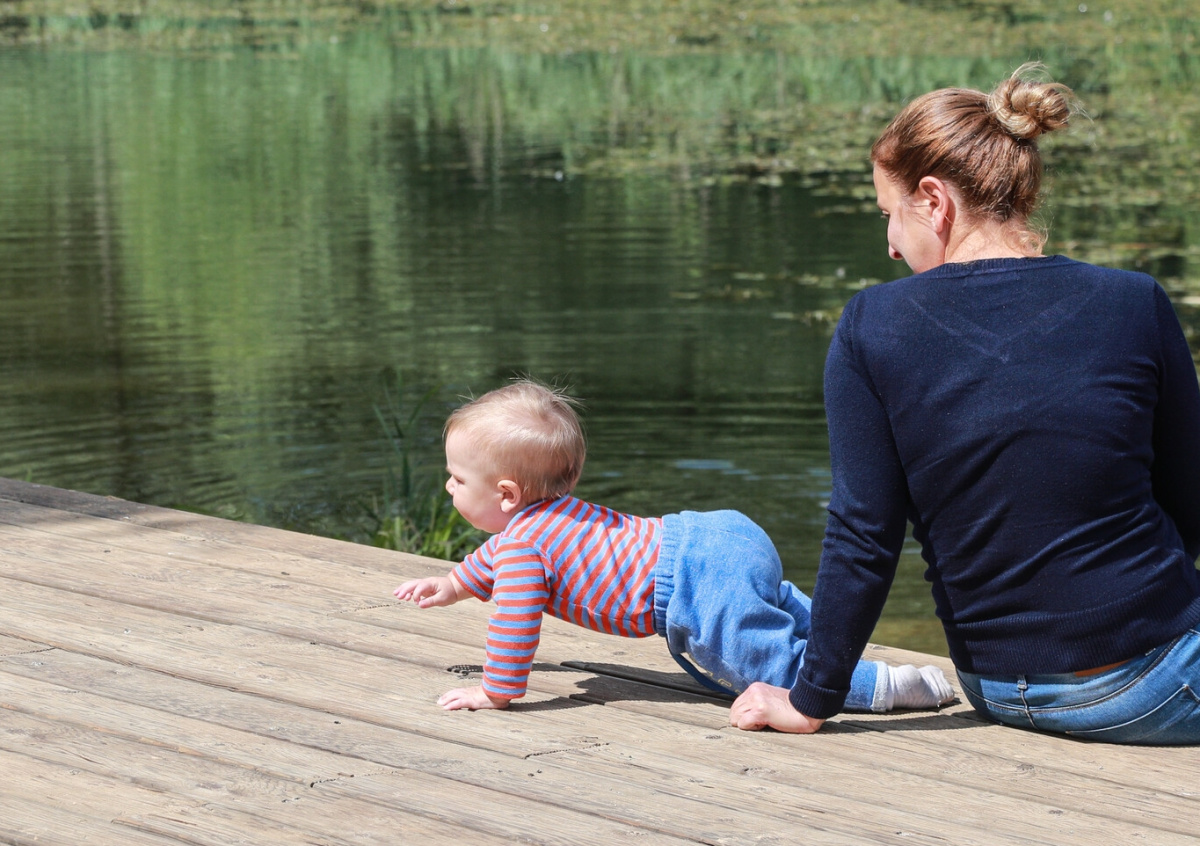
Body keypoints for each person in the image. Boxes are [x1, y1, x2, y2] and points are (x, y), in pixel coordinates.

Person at [729, 64, 1200, 744]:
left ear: (934, 200)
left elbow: (864, 534)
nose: (890, 244)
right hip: (1157, 679)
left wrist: (810, 700)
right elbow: (1189, 503)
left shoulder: (869, 326)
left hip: (997, 687)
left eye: (888, 216)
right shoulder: (1133, 302)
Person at [393, 379, 953, 713]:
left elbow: (514, 623)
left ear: (508, 495)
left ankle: (890, 687)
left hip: (693, 581)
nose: (448, 486)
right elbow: (491, 562)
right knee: (777, 603)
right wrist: (452, 584)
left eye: (457, 478)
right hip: (715, 533)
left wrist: (495, 692)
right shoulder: (543, 523)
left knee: (775, 668)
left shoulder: (522, 548)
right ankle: (842, 637)